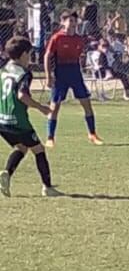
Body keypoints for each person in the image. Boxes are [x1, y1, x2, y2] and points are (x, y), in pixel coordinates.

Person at [0, 37, 63, 197]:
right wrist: (41, 108)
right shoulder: (24, 74)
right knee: (39, 150)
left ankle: (6, 174)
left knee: (21, 147)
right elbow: (22, 95)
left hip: (2, 120)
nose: (30, 57)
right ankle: (47, 188)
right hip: (18, 121)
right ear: (23, 54)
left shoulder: (4, 70)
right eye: (29, 54)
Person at [43, 10, 103, 148]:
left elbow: (79, 56)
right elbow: (47, 56)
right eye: (70, 20)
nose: (73, 23)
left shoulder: (79, 39)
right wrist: (48, 75)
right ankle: (50, 137)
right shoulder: (56, 38)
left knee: (86, 103)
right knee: (55, 105)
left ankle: (92, 134)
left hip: (75, 72)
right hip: (61, 73)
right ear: (63, 22)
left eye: (74, 21)